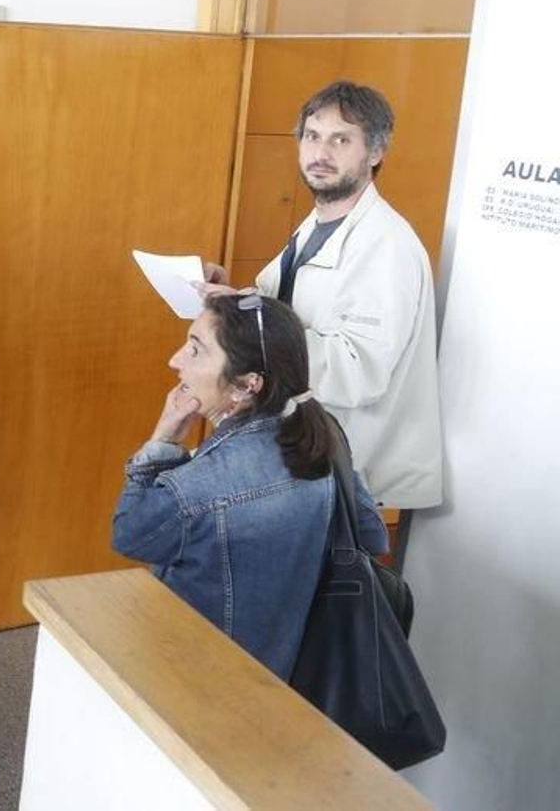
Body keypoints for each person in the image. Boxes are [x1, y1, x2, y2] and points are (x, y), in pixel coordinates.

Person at [112, 293, 390, 679]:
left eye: (195, 350)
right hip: (290, 675)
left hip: (202, 675)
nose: (175, 360)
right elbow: (374, 537)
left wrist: (164, 440)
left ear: (247, 385)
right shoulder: (323, 438)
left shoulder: (197, 489)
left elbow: (129, 535)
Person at [202, 81, 443, 510]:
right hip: (305, 452)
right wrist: (233, 296)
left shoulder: (386, 245)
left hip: (350, 472)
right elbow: (287, 309)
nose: (321, 153)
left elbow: (359, 371)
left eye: (341, 140)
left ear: (375, 153)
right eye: (312, 137)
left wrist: (249, 314)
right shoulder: (317, 225)